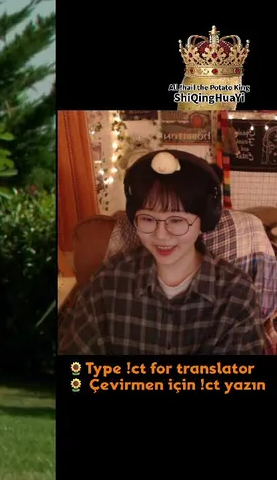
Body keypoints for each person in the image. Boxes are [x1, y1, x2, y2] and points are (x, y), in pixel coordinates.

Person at [59, 149, 266, 354]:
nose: (161, 235)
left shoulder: (236, 293)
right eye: (147, 219)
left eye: (176, 220)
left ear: (204, 222)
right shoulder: (108, 282)